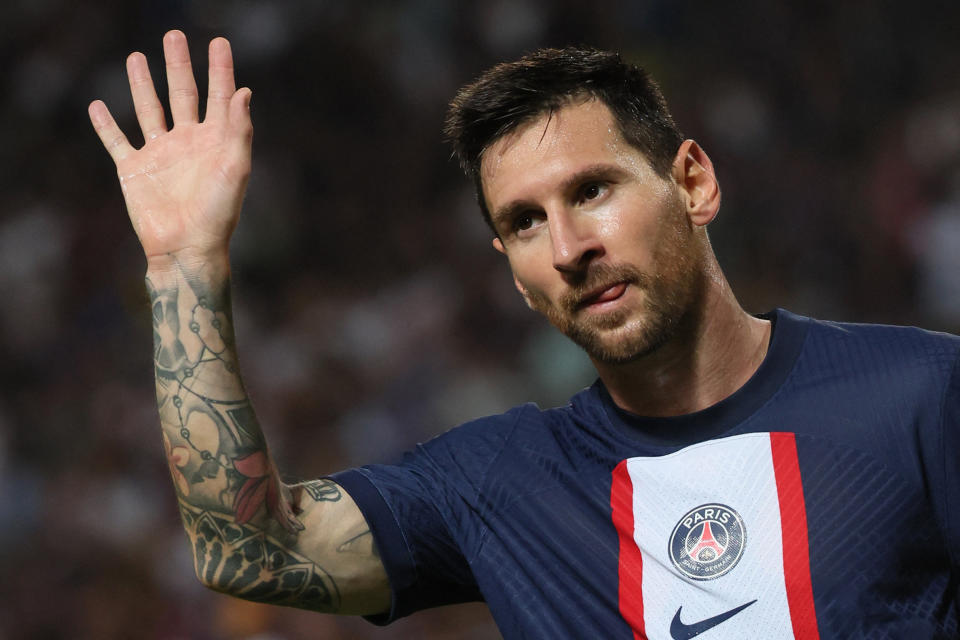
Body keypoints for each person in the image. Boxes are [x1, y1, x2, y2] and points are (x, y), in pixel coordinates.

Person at [89, 30, 960, 638]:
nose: (573, 247)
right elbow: (250, 553)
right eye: (526, 222)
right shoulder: (499, 484)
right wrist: (183, 263)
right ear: (511, 266)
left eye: (592, 191)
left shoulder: (921, 394)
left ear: (692, 182)